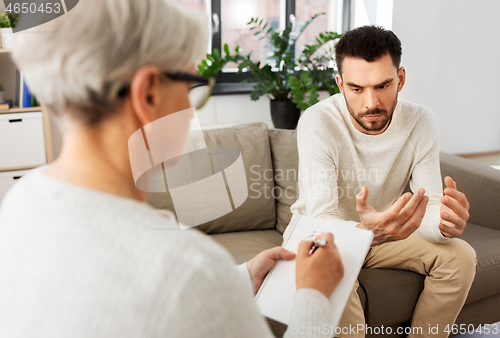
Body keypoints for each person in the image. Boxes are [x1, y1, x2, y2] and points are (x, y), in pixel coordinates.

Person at [0, 0, 344, 337]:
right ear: (148, 94)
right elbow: (174, 285)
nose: (189, 105)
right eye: (190, 84)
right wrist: (313, 295)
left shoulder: (20, 202)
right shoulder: (188, 269)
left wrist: (239, 279)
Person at [288, 25, 477, 338]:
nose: (370, 104)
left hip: (383, 234)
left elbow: (428, 204)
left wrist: (443, 224)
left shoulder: (421, 121)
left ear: (400, 79)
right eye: (356, 88)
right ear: (340, 83)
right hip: (323, 238)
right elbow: (322, 220)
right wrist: (367, 232)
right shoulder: (317, 121)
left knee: (460, 255)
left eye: (382, 85)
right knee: (334, 274)